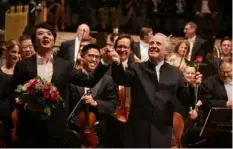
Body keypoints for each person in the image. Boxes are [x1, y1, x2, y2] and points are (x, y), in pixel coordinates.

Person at [10, 22, 110, 148]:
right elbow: (13, 92)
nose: (46, 36)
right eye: (41, 34)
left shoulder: (65, 65)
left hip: (56, 128)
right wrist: (24, 105)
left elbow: (88, 81)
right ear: (34, 42)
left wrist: (104, 62)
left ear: (53, 40)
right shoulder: (23, 65)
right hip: (29, 126)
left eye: (49, 34)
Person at [101, 33, 202, 147]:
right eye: (151, 43)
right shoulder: (137, 67)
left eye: (158, 43)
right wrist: (117, 63)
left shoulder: (176, 73)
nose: (153, 46)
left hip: (162, 132)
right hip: (137, 131)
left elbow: (186, 99)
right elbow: (121, 79)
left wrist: (194, 86)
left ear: (167, 51)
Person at [69, 44, 118, 147]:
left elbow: (113, 105)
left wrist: (96, 103)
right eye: (91, 55)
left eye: (97, 57)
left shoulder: (107, 80)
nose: (94, 59)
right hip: (75, 130)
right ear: (81, 57)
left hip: (98, 132)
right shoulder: (72, 78)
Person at [0, 39, 21, 147]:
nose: (16, 55)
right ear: (6, 52)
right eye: (13, 52)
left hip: (16, 116)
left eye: (18, 52)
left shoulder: (22, 72)